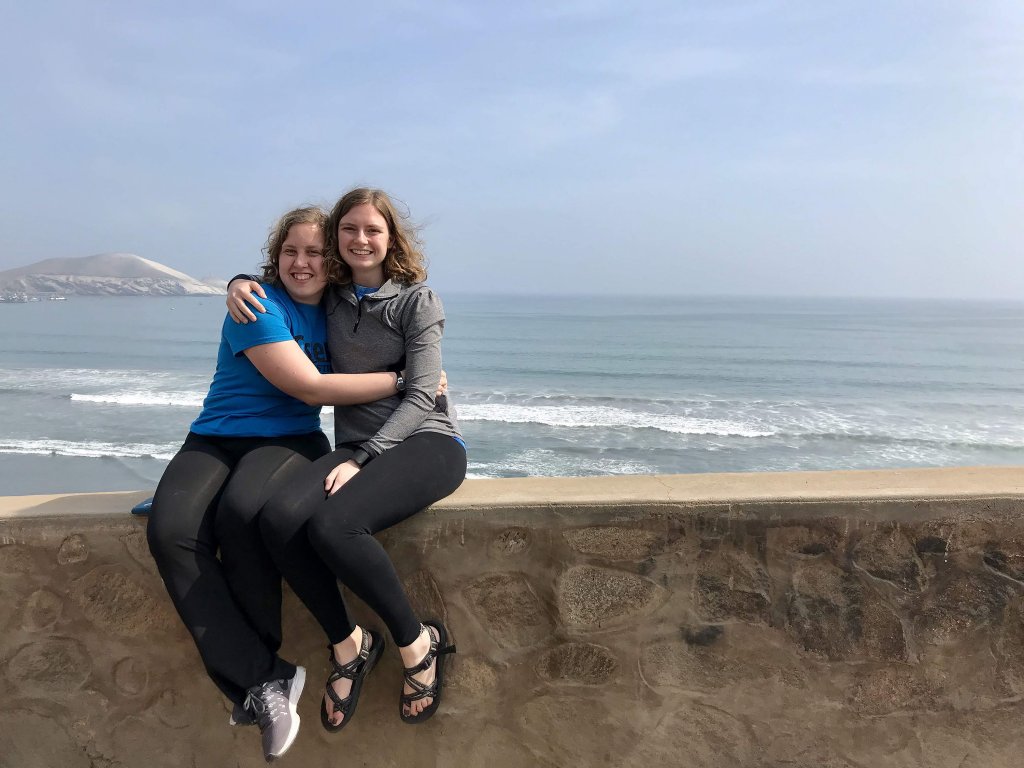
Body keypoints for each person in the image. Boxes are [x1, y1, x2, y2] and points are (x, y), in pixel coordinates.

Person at [146, 206, 412, 762]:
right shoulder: (258, 302)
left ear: (333, 261)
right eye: (291, 251)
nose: (302, 262)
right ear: (276, 256)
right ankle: (266, 679)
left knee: (241, 513)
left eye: (315, 252)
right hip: (215, 438)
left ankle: (261, 680)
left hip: (289, 442)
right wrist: (405, 379)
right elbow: (310, 386)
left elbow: (394, 308)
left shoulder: (342, 310)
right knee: (170, 531)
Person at [226, 187, 466, 731]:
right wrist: (237, 283)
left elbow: (424, 393)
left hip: (427, 441)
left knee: (335, 526)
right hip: (358, 447)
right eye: (349, 230)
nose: (361, 239)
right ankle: (349, 643)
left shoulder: (417, 301)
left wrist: (366, 456)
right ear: (337, 238)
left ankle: (417, 645)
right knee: (279, 518)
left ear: (390, 239)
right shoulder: (332, 294)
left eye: (372, 230)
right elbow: (288, 273)